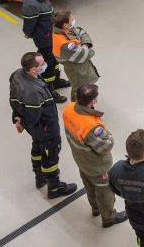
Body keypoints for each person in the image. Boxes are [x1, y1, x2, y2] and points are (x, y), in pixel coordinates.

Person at [9, 52, 77, 198]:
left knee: (37, 147)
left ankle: (39, 178)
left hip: (35, 130)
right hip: (45, 128)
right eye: (41, 64)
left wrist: (17, 118)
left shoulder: (16, 75)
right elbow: (33, 116)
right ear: (33, 69)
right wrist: (24, 122)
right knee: (50, 154)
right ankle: (54, 187)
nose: (45, 64)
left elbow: (13, 100)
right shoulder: (33, 91)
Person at [62, 84, 127, 227]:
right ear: (92, 102)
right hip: (97, 166)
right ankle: (109, 218)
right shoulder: (91, 127)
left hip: (81, 159)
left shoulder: (68, 109)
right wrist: (108, 134)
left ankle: (96, 209)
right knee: (104, 191)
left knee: (89, 185)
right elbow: (105, 146)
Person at [21, 0, 69, 103]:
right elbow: (28, 26)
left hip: (51, 37)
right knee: (48, 65)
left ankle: (57, 81)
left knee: (55, 60)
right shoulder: (31, 4)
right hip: (44, 40)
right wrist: (29, 34)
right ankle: (49, 90)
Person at [52, 10, 99, 102]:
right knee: (80, 91)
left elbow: (81, 31)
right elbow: (85, 55)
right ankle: (78, 109)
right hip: (78, 72)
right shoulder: (64, 44)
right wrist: (87, 48)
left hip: (80, 68)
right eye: (72, 19)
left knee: (79, 89)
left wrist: (85, 45)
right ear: (65, 24)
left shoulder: (63, 30)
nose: (74, 20)